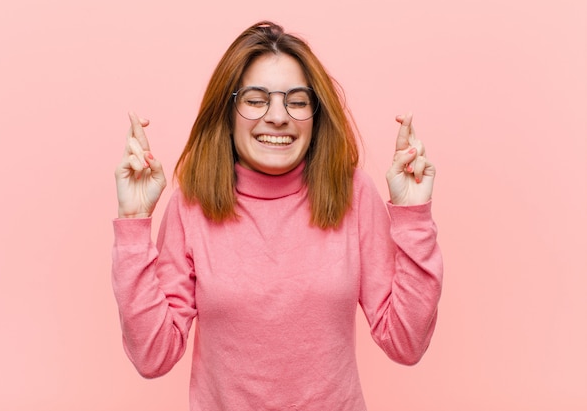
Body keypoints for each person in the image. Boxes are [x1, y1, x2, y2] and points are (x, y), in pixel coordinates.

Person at [112, 21, 442, 411]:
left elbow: (406, 343)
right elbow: (153, 357)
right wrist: (134, 227)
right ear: (228, 110)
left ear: (315, 115)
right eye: (255, 99)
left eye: (297, 101)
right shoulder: (192, 203)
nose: (278, 116)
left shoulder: (353, 193)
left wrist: (414, 217)